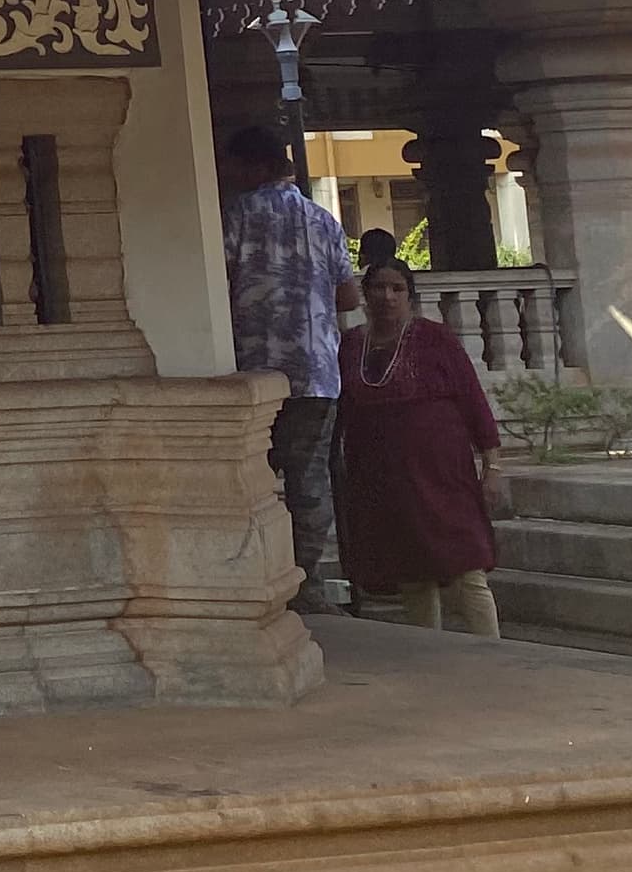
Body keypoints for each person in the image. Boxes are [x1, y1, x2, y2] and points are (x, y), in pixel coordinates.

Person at [335, 256, 506, 636]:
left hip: (442, 477)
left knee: (466, 568)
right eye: (379, 288)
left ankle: (493, 651)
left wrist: (492, 465)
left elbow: (473, 402)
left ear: (410, 296)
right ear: (365, 294)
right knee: (411, 570)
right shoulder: (350, 346)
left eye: (397, 288)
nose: (387, 296)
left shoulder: (435, 339)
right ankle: (429, 652)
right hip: (383, 480)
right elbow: (341, 413)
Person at [217, 124, 349, 614]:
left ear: (254, 166)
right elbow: (348, 295)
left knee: (247, 479)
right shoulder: (324, 220)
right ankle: (305, 583)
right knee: (309, 481)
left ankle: (254, 575)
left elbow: (218, 277)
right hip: (317, 372)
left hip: (253, 371)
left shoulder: (237, 214)